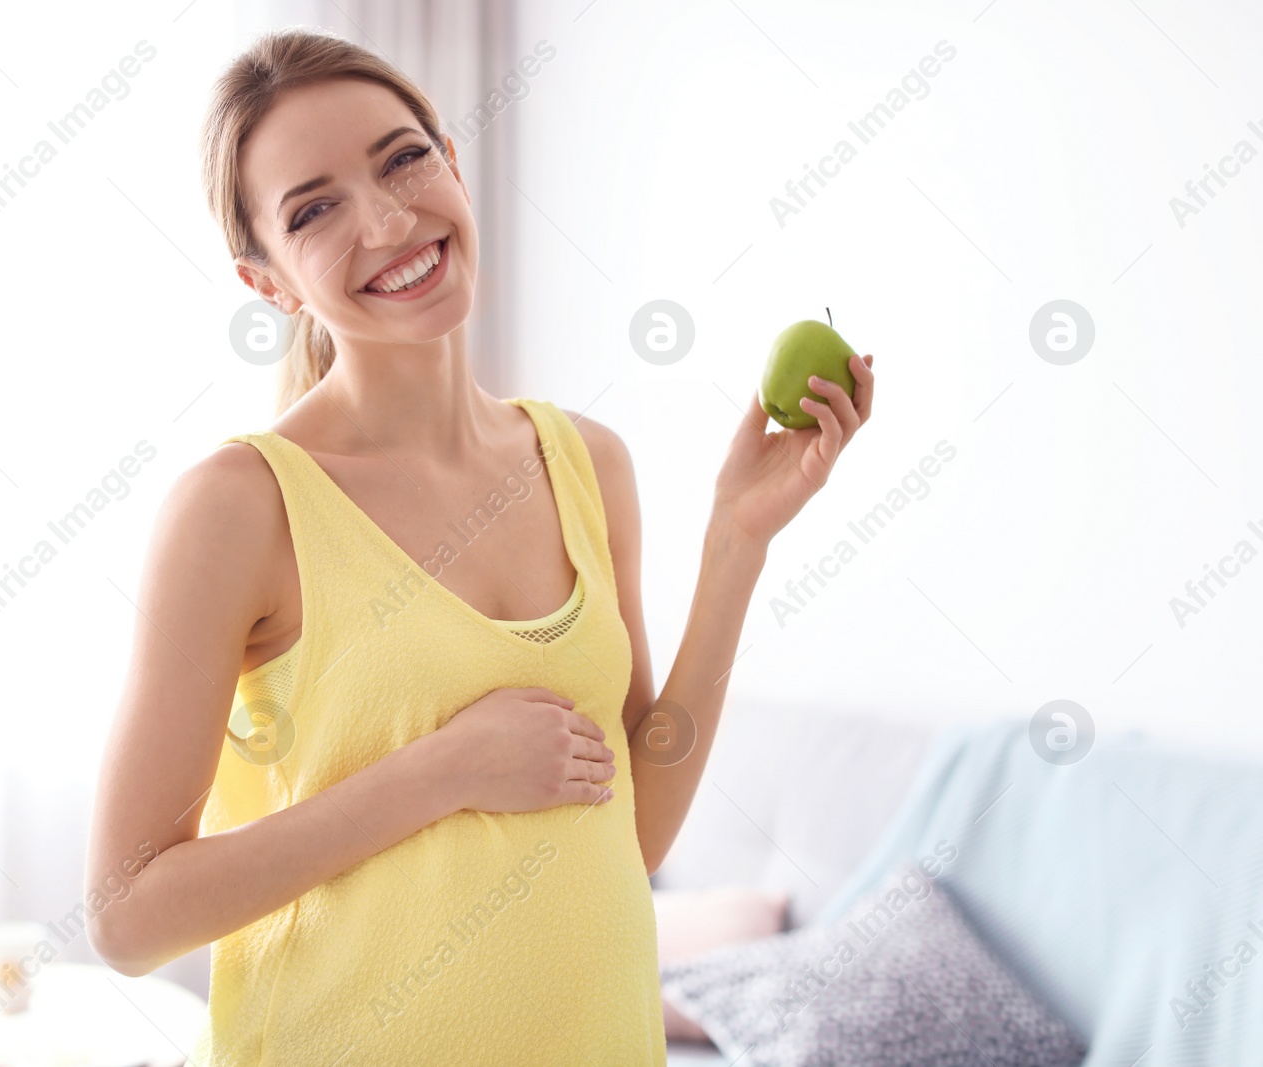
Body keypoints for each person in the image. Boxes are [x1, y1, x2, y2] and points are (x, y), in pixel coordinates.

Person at [85, 27, 874, 1066]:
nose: (386, 217)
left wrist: (735, 546)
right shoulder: (240, 505)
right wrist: (441, 769)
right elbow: (127, 914)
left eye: (401, 158)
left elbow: (628, 834)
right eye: (313, 208)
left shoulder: (587, 462)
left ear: (453, 163)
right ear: (267, 281)